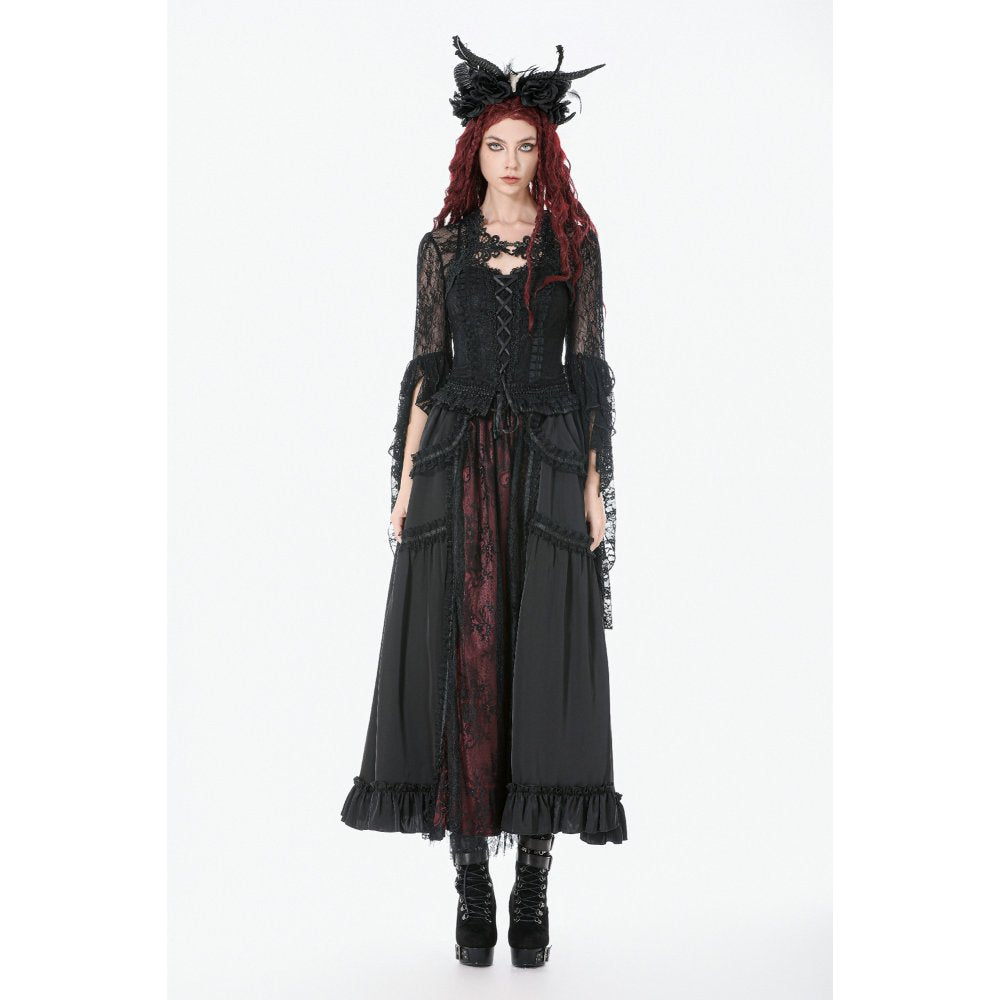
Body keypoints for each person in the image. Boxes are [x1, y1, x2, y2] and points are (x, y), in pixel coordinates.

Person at [340, 36, 627, 969]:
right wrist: (403, 481)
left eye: (526, 146)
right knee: (461, 658)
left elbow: (589, 370)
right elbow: (427, 368)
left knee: (539, 661)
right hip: (457, 462)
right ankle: (471, 878)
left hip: (546, 457)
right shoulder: (443, 247)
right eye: (497, 145)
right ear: (475, 151)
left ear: (546, 153)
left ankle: (533, 879)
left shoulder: (574, 245)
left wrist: (596, 487)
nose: (512, 160)